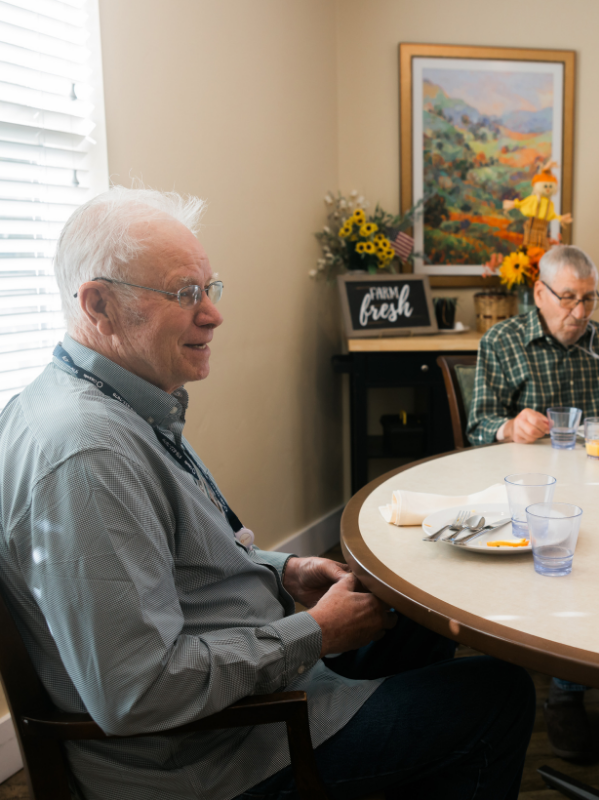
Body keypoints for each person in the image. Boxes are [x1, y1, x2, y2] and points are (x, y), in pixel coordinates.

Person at [0, 187, 535, 800]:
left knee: (419, 608)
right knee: (500, 695)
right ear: (98, 304)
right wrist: (315, 632)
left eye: (209, 288)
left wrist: (285, 571)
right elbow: (135, 692)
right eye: (184, 293)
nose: (213, 314)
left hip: (246, 691)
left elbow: (178, 561)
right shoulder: (87, 455)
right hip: (219, 754)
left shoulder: (116, 404)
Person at [467, 244, 599, 760]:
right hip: (535, 496)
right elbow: (478, 427)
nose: (580, 313)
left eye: (589, 300)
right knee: (568, 562)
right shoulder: (502, 341)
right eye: (568, 299)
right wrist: (509, 426)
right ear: (539, 293)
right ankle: (565, 696)